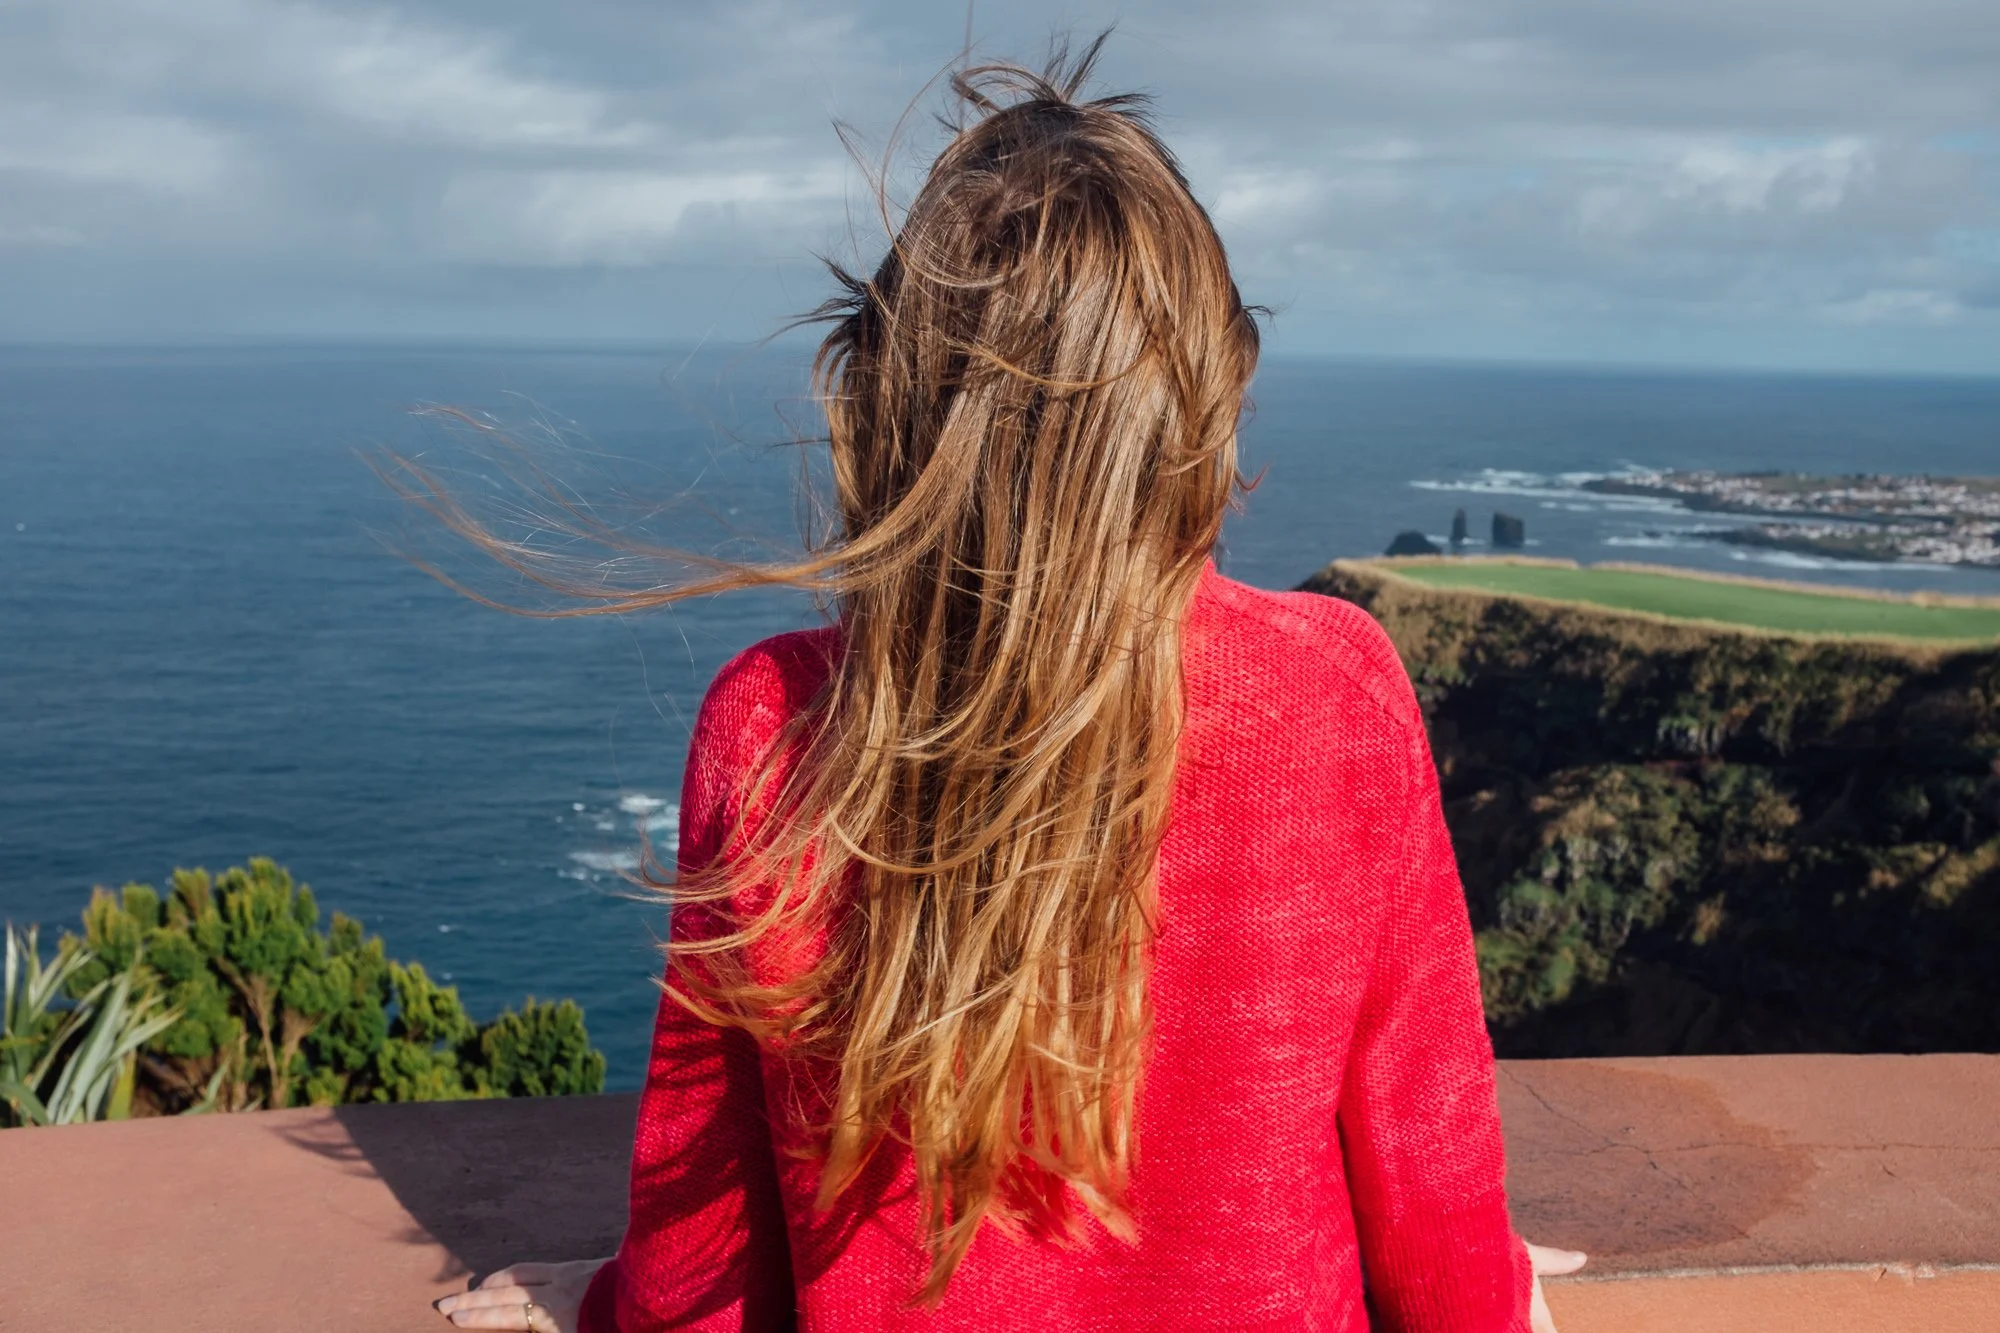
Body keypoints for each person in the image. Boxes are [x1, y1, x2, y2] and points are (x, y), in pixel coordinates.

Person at [425, 40, 1585, 1333]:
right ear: (1203, 402)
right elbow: (1433, 1205)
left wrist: (593, 1308)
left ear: (898, 405)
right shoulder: (1339, 692)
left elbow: (704, 1274)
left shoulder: (776, 731)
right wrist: (1503, 1292)